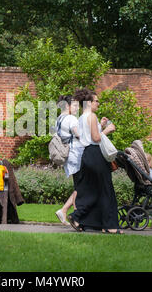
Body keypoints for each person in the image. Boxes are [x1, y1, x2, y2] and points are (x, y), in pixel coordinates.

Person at [67, 88, 124, 234]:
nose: (98, 103)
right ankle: (110, 226)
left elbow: (86, 136)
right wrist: (108, 130)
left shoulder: (81, 117)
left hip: (86, 155)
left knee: (91, 190)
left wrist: (101, 126)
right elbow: (96, 138)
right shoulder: (92, 116)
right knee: (106, 190)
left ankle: (79, 218)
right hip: (96, 154)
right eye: (96, 101)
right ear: (89, 103)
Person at [54, 95, 84, 225]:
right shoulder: (71, 118)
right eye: (75, 105)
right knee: (81, 186)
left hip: (68, 156)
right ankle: (75, 217)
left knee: (79, 186)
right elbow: (78, 134)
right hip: (75, 154)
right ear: (67, 106)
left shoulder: (59, 119)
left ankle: (65, 211)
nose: (77, 108)